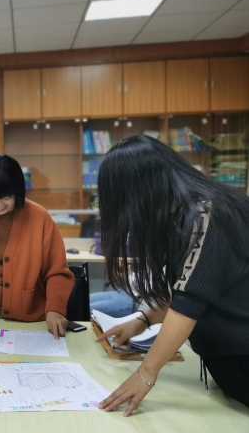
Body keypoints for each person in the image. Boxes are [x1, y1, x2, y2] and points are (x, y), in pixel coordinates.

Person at [96, 135, 249, 415]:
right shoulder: (184, 214)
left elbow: (189, 304)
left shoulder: (206, 215)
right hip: (226, 358)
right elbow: (186, 289)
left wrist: (146, 373)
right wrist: (142, 320)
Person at [0, 154, 74, 338]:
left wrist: (55, 309)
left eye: (6, 197)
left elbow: (57, 271)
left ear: (17, 191)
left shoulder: (40, 218)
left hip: (34, 319)